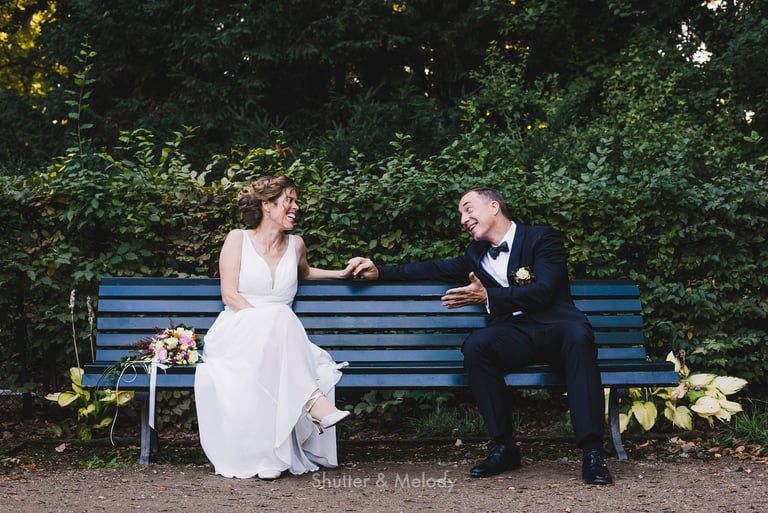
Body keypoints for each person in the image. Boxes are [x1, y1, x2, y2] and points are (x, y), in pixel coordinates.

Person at [347, 187, 613, 485]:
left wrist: (489, 296)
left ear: (494, 207)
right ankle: (504, 447)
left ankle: (592, 453)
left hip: (558, 328)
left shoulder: (542, 237)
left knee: (578, 337)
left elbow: (544, 291)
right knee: (477, 346)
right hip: (515, 335)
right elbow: (433, 268)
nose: (463, 218)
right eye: (461, 213)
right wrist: (380, 272)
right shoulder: (475, 255)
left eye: (468, 209)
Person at [195, 175, 354, 480]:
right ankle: (312, 403)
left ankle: (271, 457)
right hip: (237, 331)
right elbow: (229, 294)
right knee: (279, 317)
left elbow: (305, 273)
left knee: (281, 320)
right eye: (289, 200)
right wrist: (265, 324)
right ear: (267, 205)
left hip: (285, 340)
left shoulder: (296, 245)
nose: (296, 207)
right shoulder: (237, 239)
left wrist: (341, 273)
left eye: (296, 201)